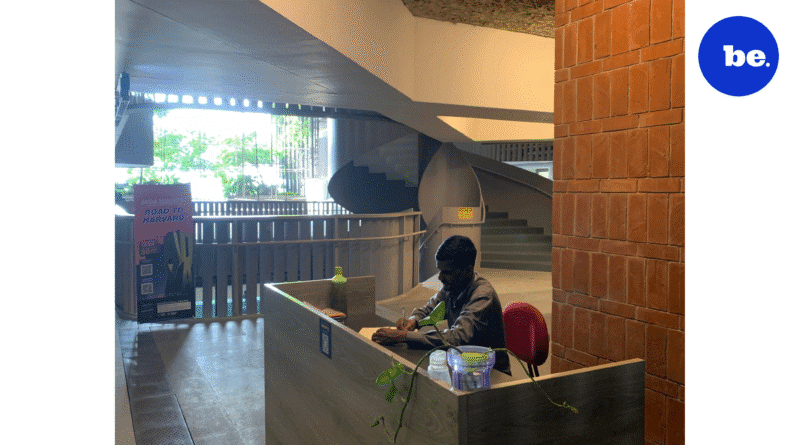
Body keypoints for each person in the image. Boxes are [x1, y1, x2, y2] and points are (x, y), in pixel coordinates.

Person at [372, 235, 510, 375]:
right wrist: (413, 321)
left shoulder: (483, 295)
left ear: (467, 270)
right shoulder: (453, 285)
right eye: (439, 271)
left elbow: (457, 337)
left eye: (446, 272)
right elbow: (428, 309)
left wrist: (403, 336)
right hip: (464, 365)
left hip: (490, 373)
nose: (440, 278)